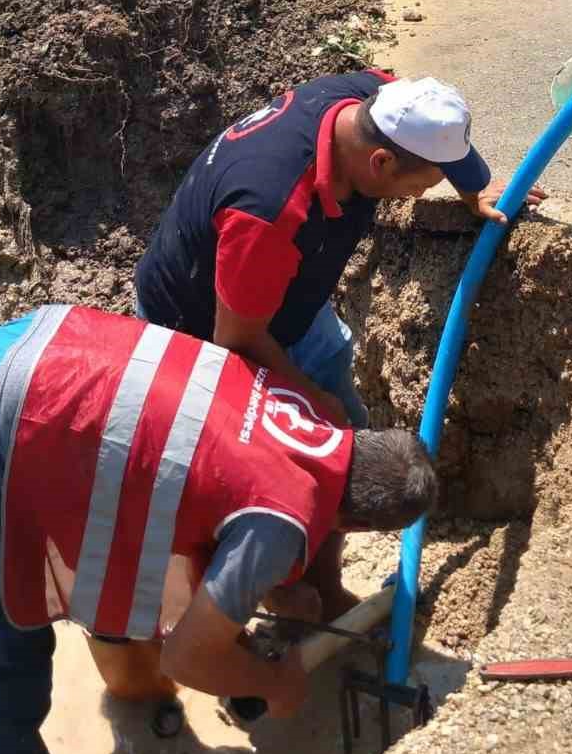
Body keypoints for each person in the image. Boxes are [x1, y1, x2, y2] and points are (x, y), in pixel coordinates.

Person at [0, 303, 437, 754]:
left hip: (36, 355)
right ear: (363, 524)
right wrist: (275, 681)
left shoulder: (308, 410)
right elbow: (189, 656)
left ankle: (138, 700)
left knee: (134, 574)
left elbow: (209, 482)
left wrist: (270, 585)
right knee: (8, 689)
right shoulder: (280, 523)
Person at [135, 70, 537, 614]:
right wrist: (308, 397)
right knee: (255, 474)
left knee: (336, 453)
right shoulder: (271, 209)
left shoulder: (367, 97)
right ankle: (228, 614)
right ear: (381, 164)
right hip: (203, 329)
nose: (423, 194)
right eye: (421, 185)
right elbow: (236, 337)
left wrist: (472, 191)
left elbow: (420, 114)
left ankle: (321, 591)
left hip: (283, 300)